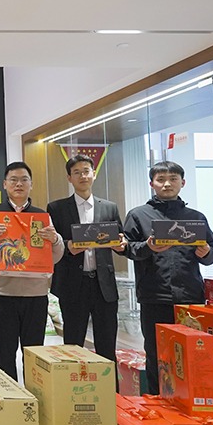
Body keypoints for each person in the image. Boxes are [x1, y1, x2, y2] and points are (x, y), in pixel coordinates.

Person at [123, 160, 213, 394]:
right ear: (152, 184)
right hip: (154, 295)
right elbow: (127, 249)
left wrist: (206, 253)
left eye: (173, 179)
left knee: (192, 352)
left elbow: (211, 254)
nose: (167, 184)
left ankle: (191, 399)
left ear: (182, 183)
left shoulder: (195, 217)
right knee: (157, 353)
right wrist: (147, 247)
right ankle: (157, 401)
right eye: (161, 179)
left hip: (190, 297)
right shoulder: (138, 215)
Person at [0, 161, 65, 382]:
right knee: (5, 351)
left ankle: (36, 395)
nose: (19, 184)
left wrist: (55, 239)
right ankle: (10, 397)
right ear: (4, 184)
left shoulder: (42, 216)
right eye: (13, 180)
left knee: (34, 352)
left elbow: (56, 255)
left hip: (36, 294)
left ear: (31, 184)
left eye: (24, 180)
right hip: (3, 293)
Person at [48, 154, 127, 365]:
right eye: (77, 172)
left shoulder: (109, 207)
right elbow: (51, 244)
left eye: (86, 171)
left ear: (94, 174)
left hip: (103, 285)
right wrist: (68, 246)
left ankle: (110, 386)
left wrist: (122, 244)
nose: (82, 176)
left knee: (107, 344)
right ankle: (72, 384)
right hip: (73, 283)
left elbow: (120, 238)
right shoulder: (56, 208)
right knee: (73, 345)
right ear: (69, 178)